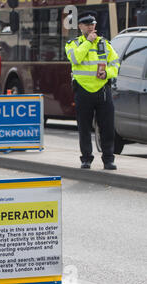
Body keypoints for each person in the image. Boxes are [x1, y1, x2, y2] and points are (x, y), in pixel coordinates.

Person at [65, 11, 120, 170]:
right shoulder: (73, 44)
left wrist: (107, 73)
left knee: (107, 127)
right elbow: (75, 58)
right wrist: (88, 42)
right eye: (87, 25)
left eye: (92, 24)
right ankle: (86, 159)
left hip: (102, 90)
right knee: (84, 127)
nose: (90, 27)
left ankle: (108, 159)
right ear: (80, 26)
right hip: (83, 90)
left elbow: (115, 64)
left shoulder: (104, 44)